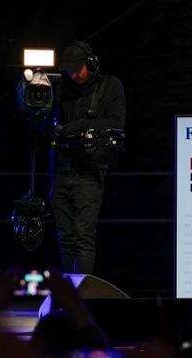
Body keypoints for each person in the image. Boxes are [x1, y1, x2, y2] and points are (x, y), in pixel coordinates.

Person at [51, 40, 126, 274]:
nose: (73, 74)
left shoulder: (110, 86)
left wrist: (80, 126)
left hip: (90, 170)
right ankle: (71, 292)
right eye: (69, 70)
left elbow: (117, 123)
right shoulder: (63, 88)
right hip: (62, 169)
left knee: (83, 236)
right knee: (66, 237)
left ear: (91, 64)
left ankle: (82, 298)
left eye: (77, 69)